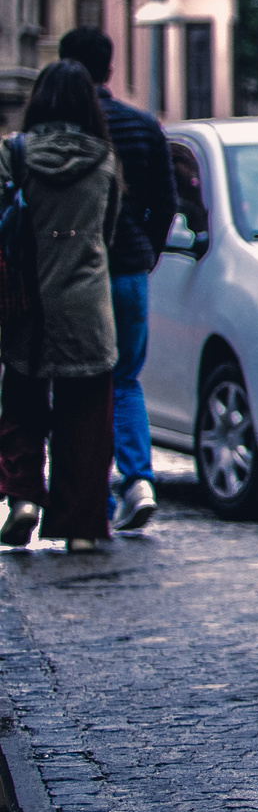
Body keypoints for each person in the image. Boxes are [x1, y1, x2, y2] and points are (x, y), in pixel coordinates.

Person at [0, 61, 124, 552]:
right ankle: (81, 527)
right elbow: (107, 233)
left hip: (27, 300)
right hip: (86, 302)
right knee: (87, 419)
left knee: (22, 403)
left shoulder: (15, 153)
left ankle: (23, 496)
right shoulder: (106, 161)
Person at [56, 28, 174, 531]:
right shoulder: (142, 126)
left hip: (74, 273)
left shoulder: (60, 133)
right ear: (109, 68)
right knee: (125, 380)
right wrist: (144, 251)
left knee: (81, 387)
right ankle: (138, 479)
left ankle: (95, 498)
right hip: (128, 269)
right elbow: (165, 203)